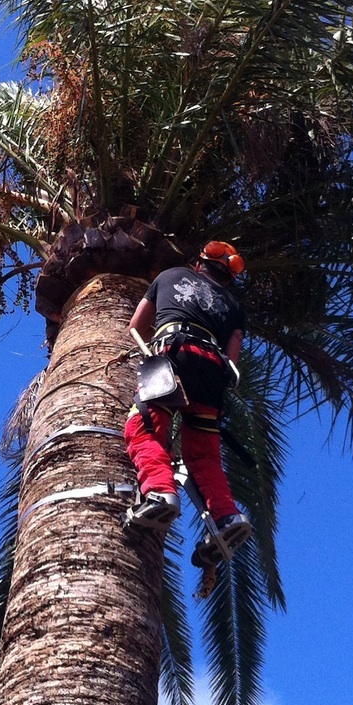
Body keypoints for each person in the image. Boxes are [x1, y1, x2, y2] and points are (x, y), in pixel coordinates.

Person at [123, 240, 253, 563]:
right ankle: (227, 517)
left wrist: (149, 354)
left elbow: (136, 327)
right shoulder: (233, 306)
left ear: (198, 264)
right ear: (227, 278)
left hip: (174, 354)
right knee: (204, 454)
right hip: (213, 369)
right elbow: (232, 359)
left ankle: (159, 491)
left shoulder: (169, 276)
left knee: (145, 426)